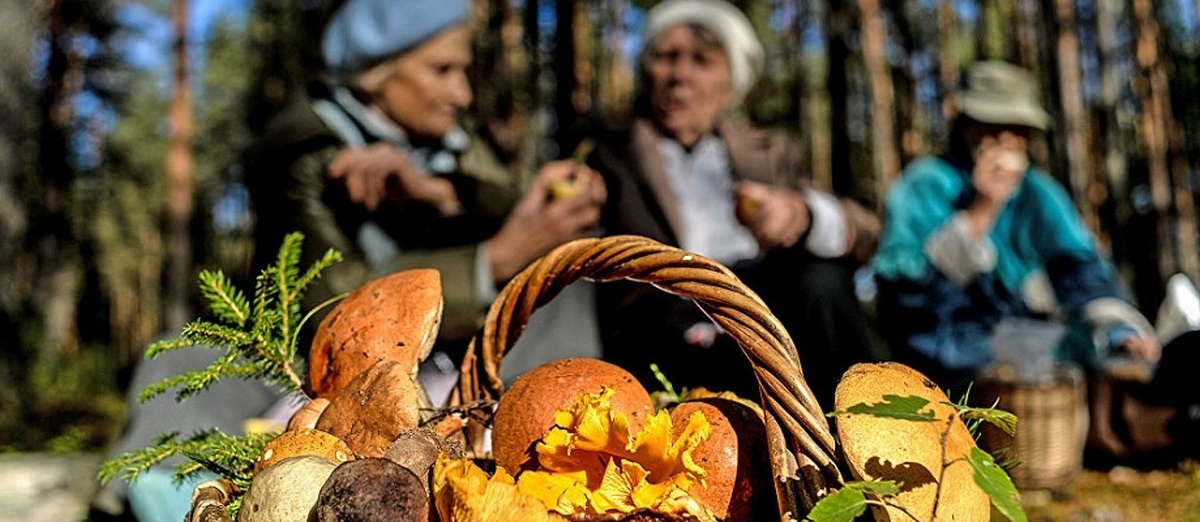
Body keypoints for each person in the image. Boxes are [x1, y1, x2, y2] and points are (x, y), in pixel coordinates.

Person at [246, 0, 608, 394]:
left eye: (462, 70)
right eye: (442, 70)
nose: (463, 94)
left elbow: (504, 203)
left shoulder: (447, 139)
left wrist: (438, 193)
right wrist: (495, 259)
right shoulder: (305, 149)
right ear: (378, 73)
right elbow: (334, 308)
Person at [871, 60, 1198, 461]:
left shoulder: (1038, 192)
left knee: (1153, 355)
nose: (1006, 139)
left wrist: (1118, 330)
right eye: (993, 125)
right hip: (953, 360)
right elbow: (905, 297)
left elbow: (1081, 270)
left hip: (1040, 345)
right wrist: (981, 212)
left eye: (1017, 129)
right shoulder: (925, 183)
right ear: (964, 123)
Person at [586, 0, 882, 410]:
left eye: (702, 61)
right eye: (666, 57)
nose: (679, 75)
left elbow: (865, 232)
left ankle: (862, 422)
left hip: (762, 326)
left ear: (732, 81)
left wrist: (803, 214)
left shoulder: (769, 153)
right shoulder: (608, 154)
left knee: (823, 281)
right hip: (660, 336)